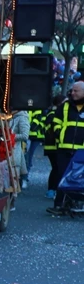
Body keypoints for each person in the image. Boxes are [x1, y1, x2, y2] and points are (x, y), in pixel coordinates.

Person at [47, 82, 84, 216]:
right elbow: (55, 122)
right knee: (63, 177)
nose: (72, 93)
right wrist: (58, 133)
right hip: (64, 148)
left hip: (82, 151)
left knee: (80, 179)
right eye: (72, 90)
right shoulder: (64, 106)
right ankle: (59, 205)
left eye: (76, 91)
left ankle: (77, 204)